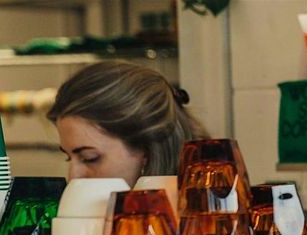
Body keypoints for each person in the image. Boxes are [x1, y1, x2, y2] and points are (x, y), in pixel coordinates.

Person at [48, 60, 206, 187]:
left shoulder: (206, 214)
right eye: (68, 158)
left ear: (147, 152)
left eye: (90, 158)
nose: (73, 177)